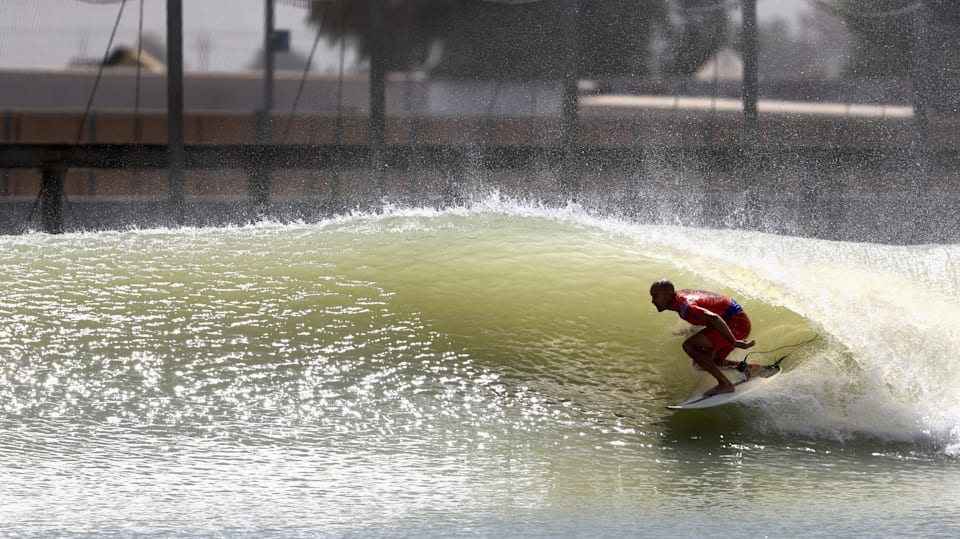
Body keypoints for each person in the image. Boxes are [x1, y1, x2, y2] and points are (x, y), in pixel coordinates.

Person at [649, 279, 761, 396]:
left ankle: (725, 384)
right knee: (703, 362)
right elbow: (704, 312)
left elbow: (713, 318)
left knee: (689, 346)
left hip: (736, 323)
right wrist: (690, 330)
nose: (652, 301)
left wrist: (734, 341)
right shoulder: (679, 299)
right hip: (734, 319)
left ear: (668, 295)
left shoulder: (685, 306)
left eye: (655, 296)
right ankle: (749, 369)